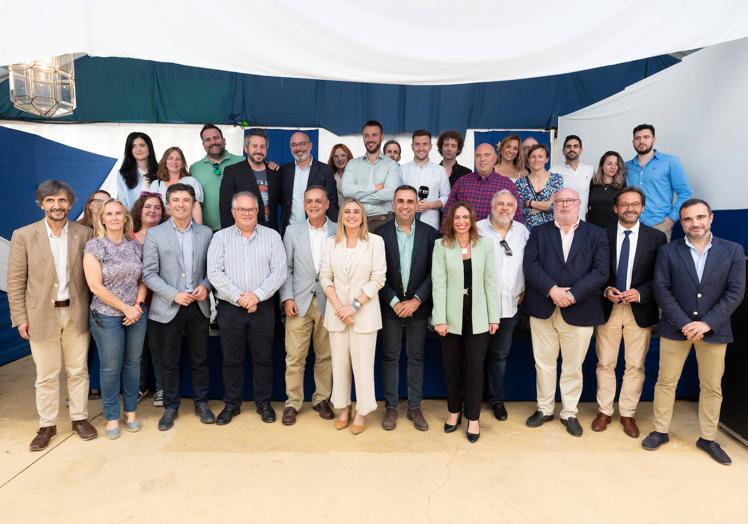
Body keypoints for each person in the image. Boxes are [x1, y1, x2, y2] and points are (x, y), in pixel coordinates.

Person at [643, 199, 745, 465]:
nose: (695, 223)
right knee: (666, 382)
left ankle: (708, 437)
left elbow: (735, 292)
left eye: (700, 217)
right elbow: (661, 289)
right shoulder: (668, 251)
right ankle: (660, 430)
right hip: (675, 329)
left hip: (714, 331)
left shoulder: (733, 251)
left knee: (711, 387)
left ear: (711, 218)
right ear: (682, 222)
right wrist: (684, 323)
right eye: (688, 219)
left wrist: (706, 323)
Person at [7, 180, 98, 450]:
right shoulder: (24, 235)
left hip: (76, 312)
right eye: (51, 201)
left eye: (62, 201)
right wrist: (20, 317)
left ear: (70, 203)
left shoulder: (84, 234)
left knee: (78, 370)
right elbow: (15, 281)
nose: (57, 206)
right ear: (41, 204)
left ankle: (79, 418)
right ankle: (47, 424)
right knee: (46, 374)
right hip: (40, 316)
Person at [522, 188, 609, 437]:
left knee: (573, 366)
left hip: (580, 308)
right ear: (553, 204)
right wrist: (552, 290)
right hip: (544, 307)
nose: (564, 205)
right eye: (559, 201)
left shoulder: (596, 234)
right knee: (544, 364)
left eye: (570, 200)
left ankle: (569, 412)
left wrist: (572, 294)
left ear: (579, 203)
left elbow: (601, 272)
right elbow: (530, 265)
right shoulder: (539, 232)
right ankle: (544, 409)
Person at [592, 187, 666, 437]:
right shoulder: (602, 235)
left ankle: (627, 414)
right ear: (616, 208)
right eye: (624, 204)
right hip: (609, 308)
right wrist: (605, 290)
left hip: (639, 309)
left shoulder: (656, 238)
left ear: (642, 207)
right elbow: (596, 271)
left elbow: (660, 277)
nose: (630, 208)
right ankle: (604, 411)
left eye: (635, 204)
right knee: (605, 363)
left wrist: (641, 293)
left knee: (635, 365)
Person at [208, 192, 286, 425]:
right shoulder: (220, 238)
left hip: (262, 308)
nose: (247, 213)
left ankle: (264, 403)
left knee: (263, 358)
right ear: (233, 212)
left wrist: (257, 296)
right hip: (231, 309)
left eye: (251, 209)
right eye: (242, 209)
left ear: (259, 211)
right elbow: (214, 272)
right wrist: (240, 297)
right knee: (231, 359)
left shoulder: (272, 237)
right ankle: (232, 404)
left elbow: (279, 271)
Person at [142, 183, 215, 431]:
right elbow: (149, 274)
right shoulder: (155, 234)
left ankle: (201, 403)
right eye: (176, 200)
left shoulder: (206, 233)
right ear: (168, 204)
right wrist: (173, 295)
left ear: (194, 204)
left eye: (186, 200)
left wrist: (205, 285)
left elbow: (211, 270)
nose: (181, 205)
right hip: (167, 307)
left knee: (200, 358)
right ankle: (171, 406)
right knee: (169, 360)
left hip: (198, 306)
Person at [432, 201, 499, 443]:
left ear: (472, 220)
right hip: (450, 319)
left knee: (474, 368)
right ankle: (454, 411)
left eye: (465, 217)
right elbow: (438, 284)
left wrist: (494, 316)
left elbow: (491, 282)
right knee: (451, 367)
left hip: (479, 318)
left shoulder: (485, 245)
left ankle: (473, 417)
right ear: (451, 220)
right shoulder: (441, 245)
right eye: (457, 217)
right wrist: (438, 318)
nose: (461, 221)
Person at [319, 198, 386, 435]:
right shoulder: (331, 243)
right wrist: (339, 306)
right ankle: (344, 408)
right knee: (339, 366)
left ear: (363, 216)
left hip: (364, 315)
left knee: (363, 367)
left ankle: (361, 411)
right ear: (341, 216)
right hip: (337, 314)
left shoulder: (375, 242)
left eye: (356, 211)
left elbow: (379, 278)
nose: (351, 215)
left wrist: (354, 306)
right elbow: (325, 277)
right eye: (347, 211)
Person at [83, 198, 148, 439]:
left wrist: (137, 306)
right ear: (101, 219)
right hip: (107, 315)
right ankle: (111, 416)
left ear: (125, 217)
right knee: (111, 368)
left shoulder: (134, 246)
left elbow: (143, 278)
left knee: (133, 365)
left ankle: (130, 411)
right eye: (108, 214)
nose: (114, 217)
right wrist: (125, 308)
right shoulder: (94, 247)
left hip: (136, 315)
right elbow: (95, 286)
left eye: (118, 213)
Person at [379, 185, 439, 431]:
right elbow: (375, 273)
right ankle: (391, 407)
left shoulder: (430, 234)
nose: (405, 205)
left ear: (417, 205)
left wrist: (417, 300)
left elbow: (435, 273)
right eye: (400, 201)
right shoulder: (379, 234)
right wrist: (394, 301)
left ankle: (415, 407)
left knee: (416, 357)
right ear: (394, 204)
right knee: (390, 356)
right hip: (390, 305)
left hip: (418, 306)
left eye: (410, 201)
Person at [279, 187, 338, 425]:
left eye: (318, 201)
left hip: (329, 303)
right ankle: (293, 403)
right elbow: (286, 268)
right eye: (309, 201)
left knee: (326, 356)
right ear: (304, 205)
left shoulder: (338, 229)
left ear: (327, 204)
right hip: (299, 302)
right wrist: (287, 297)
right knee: (294, 357)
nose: (313, 205)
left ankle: (321, 399)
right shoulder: (292, 231)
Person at [476, 190, 530, 421]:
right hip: (480, 306)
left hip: (510, 306)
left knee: (499, 356)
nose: (504, 208)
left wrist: (525, 289)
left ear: (515, 208)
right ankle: (472, 399)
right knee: (475, 356)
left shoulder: (522, 232)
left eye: (509, 204)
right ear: (491, 206)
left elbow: (530, 262)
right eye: (500, 204)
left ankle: (496, 400)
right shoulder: (476, 229)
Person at [131, 193, 168, 407]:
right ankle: (139, 386)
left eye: (157, 207)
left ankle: (161, 387)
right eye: (148, 206)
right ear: (139, 209)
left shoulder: (166, 235)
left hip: (159, 296)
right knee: (137, 347)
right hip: (132, 299)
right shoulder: (129, 235)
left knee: (156, 344)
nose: (152, 210)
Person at [625, 124, 693, 239]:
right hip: (632, 225)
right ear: (633, 142)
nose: (641, 141)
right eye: (637, 138)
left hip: (659, 225)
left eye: (646, 137)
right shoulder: (626, 167)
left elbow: (685, 192)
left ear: (654, 140)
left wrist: (671, 219)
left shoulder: (670, 161)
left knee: (660, 257)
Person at [77, 188, 111, 401]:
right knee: (81, 343)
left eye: (105, 202)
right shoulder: (77, 228)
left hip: (102, 292)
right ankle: (79, 387)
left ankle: (96, 383)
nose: (100, 205)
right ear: (89, 204)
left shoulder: (110, 229)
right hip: (80, 291)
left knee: (99, 340)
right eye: (97, 201)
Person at [341, 120, 402, 233]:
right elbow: (346, 191)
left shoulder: (392, 165)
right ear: (363, 138)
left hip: (383, 221)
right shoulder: (352, 164)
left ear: (381, 137)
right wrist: (373, 188)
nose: (370, 139)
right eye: (366, 135)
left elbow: (390, 194)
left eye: (374, 135)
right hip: (356, 221)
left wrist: (357, 198)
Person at [443, 143, 523, 225]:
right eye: (478, 156)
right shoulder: (462, 182)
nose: (482, 159)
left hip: (495, 236)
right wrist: (445, 235)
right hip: (464, 235)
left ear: (495, 159)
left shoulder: (507, 185)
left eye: (487, 155)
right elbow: (448, 212)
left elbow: (517, 217)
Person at [220, 128, 282, 231]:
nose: (259, 150)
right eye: (254, 146)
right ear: (246, 148)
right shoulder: (232, 172)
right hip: (242, 232)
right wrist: (229, 235)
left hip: (270, 231)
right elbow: (225, 208)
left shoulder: (275, 171)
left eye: (262, 146)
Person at [279, 131, 339, 234]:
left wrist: (331, 232)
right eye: (294, 145)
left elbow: (332, 204)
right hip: (291, 229)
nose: (298, 148)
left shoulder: (325, 170)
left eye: (302, 144)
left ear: (310, 145)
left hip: (318, 230)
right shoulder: (284, 170)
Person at [189, 124, 245, 232]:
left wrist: (270, 165)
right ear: (203, 144)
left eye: (216, 138)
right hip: (207, 230)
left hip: (239, 228)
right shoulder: (194, 169)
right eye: (208, 140)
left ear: (224, 140)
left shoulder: (242, 161)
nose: (213, 142)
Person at [400, 129, 451, 230]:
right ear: (412, 146)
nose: (421, 148)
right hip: (406, 226)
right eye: (417, 144)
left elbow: (447, 197)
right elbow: (395, 198)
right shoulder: (402, 170)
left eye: (425, 144)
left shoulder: (440, 171)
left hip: (431, 226)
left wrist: (431, 205)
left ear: (430, 147)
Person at [149, 147, 205, 224]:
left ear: (183, 163)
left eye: (178, 159)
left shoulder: (191, 181)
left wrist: (199, 230)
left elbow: (196, 207)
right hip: (162, 226)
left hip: (188, 226)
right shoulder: (156, 185)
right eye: (170, 158)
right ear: (165, 162)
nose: (174, 162)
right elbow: (153, 207)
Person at [515, 144, 563, 230]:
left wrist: (530, 203)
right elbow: (520, 210)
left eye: (540, 156)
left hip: (551, 231)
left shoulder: (556, 179)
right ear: (528, 159)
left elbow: (557, 206)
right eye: (533, 156)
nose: (536, 160)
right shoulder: (520, 182)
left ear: (547, 159)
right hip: (528, 232)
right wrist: (546, 205)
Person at [552, 135, 594, 220]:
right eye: (568, 146)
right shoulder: (554, 171)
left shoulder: (590, 170)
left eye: (575, 146)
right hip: (561, 222)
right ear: (563, 151)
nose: (572, 149)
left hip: (582, 222)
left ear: (581, 150)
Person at [117, 132, 158, 210]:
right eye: (133, 146)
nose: (138, 149)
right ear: (130, 150)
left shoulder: (161, 171)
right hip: (133, 219)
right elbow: (122, 202)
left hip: (159, 219)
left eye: (142, 145)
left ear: (149, 147)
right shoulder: (122, 174)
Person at [587, 151, 626, 229]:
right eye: (609, 164)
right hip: (593, 227)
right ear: (602, 165)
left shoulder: (622, 185)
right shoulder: (593, 182)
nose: (613, 167)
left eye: (616, 164)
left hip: (613, 229)